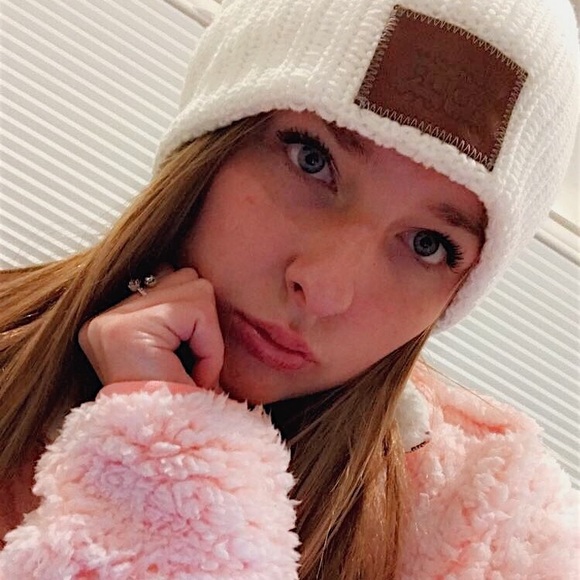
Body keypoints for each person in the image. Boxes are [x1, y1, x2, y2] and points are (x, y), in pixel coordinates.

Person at [0, 0, 578, 577]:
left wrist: (165, 458)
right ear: (215, 139)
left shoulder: (493, 540)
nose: (324, 290)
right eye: (312, 159)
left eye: (429, 244)